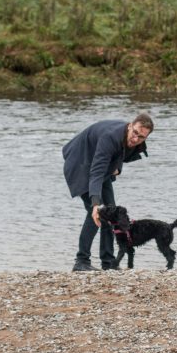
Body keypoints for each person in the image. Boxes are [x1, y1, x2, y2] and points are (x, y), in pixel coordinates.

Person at [62, 113, 152, 271]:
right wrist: (96, 204)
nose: (136, 139)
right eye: (135, 133)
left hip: (100, 163)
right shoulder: (110, 137)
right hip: (80, 162)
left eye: (141, 137)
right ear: (130, 126)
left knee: (112, 212)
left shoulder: (132, 138)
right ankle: (81, 261)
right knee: (96, 212)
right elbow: (96, 172)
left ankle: (108, 262)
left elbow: (121, 153)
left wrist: (118, 169)